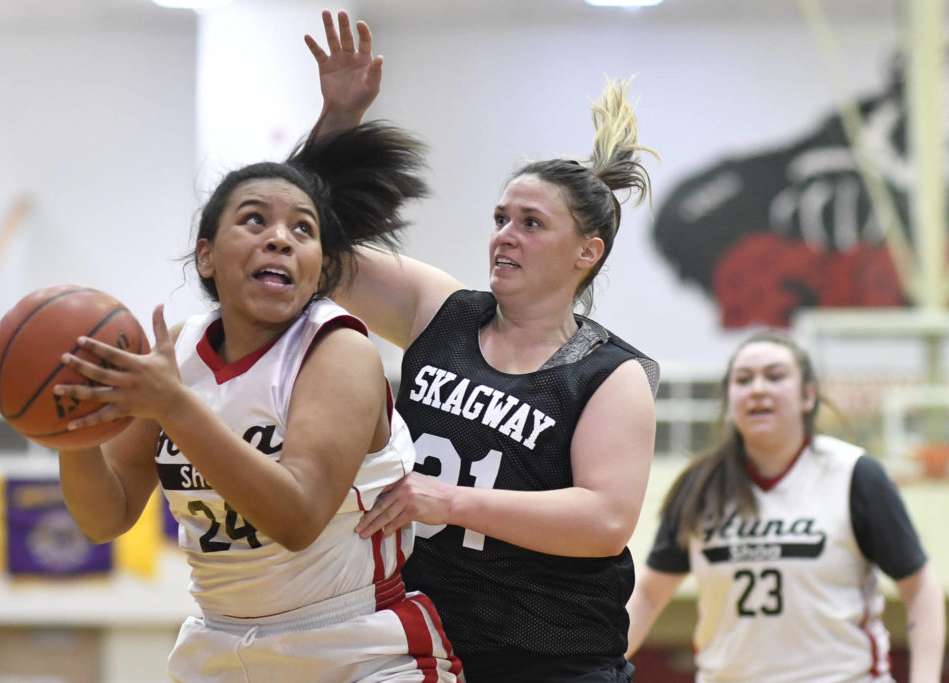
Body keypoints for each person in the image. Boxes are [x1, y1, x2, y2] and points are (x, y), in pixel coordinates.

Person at [304, 12, 659, 682]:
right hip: (422, 643)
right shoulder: (441, 309)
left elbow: (605, 518)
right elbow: (316, 252)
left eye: (530, 223)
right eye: (501, 218)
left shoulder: (608, 373)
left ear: (588, 251)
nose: (505, 235)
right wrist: (338, 122)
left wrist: (447, 499)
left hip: (552, 654)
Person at [52, 118, 463, 680]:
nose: (280, 238)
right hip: (220, 647)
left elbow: (296, 519)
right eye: (254, 221)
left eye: (303, 230)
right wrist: (71, 433)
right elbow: (108, 516)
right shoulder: (182, 353)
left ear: (319, 266)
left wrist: (174, 408)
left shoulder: (339, 347)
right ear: (206, 257)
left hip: (356, 647)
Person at [626, 331, 946, 683]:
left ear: (808, 395)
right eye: (743, 379)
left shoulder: (855, 474)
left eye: (775, 376)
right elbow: (650, 593)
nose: (757, 389)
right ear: (730, 398)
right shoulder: (701, 485)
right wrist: (595, 665)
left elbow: (920, 589)